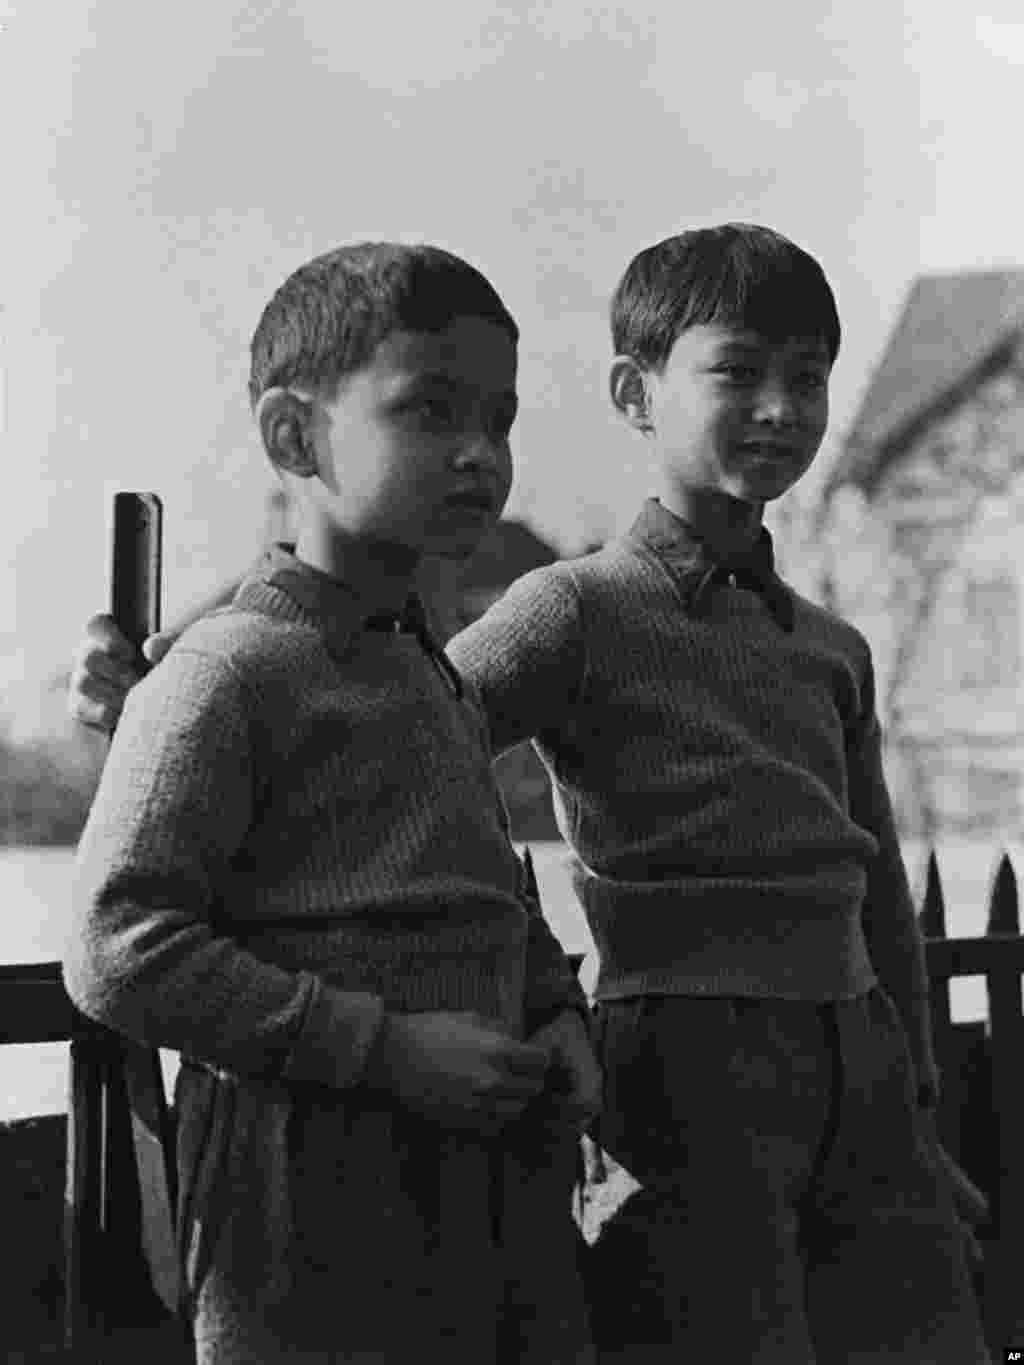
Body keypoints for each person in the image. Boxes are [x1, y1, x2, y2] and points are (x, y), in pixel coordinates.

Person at [69, 225, 990, 1363]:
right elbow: (337, 721)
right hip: (639, 1084)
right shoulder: (568, 612)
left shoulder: (829, 650)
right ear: (634, 394)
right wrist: (154, 690)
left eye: (808, 378)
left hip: (787, 1084)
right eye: (739, 371)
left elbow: (872, 892)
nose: (778, 408)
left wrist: (912, 1106)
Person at [65, 241, 599, 1365]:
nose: (480, 452)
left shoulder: (435, 673)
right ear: (292, 439)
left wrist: (556, 1012)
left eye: (499, 419)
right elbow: (117, 944)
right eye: (430, 409)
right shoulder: (229, 669)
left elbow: (491, 886)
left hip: (492, 1198)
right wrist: (385, 1050)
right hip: (303, 1216)